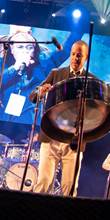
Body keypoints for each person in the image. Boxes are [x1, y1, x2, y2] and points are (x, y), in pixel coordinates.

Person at [28, 40, 96, 196]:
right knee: (43, 184)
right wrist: (41, 90)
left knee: (69, 188)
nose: (75, 59)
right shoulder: (56, 74)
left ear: (86, 57)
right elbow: (32, 97)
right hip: (50, 138)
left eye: (79, 55)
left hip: (73, 141)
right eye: (73, 54)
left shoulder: (92, 81)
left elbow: (94, 113)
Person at [0, 27, 71, 124]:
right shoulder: (0, 63)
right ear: (12, 49)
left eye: (29, 47)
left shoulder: (44, 61)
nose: (25, 51)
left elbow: (67, 47)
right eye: (20, 47)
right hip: (5, 121)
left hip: (33, 122)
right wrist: (13, 69)